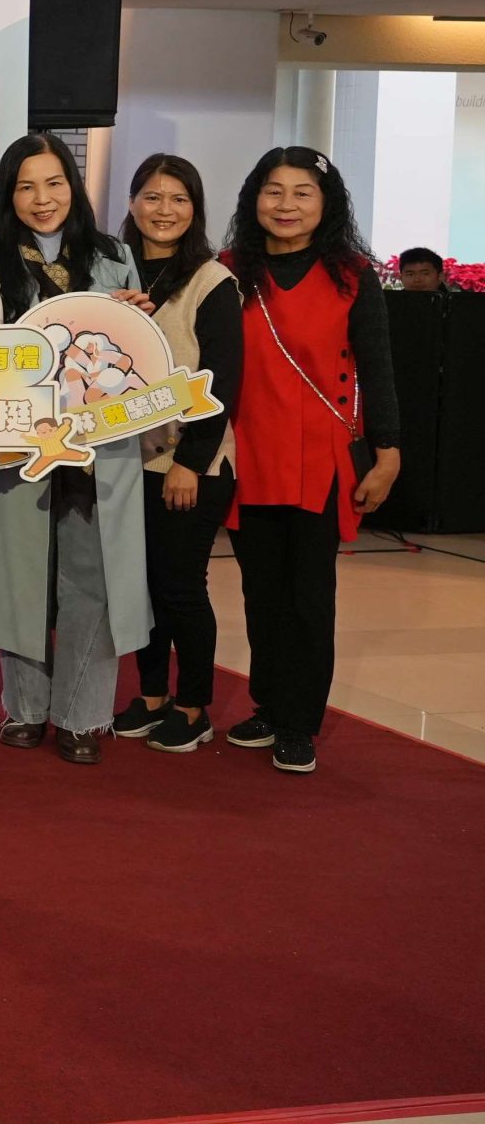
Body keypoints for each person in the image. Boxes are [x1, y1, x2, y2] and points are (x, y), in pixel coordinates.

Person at [0, 133, 151, 766]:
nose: (42, 198)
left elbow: (140, 356)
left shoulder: (114, 257)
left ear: (73, 188)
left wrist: (139, 314)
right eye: (26, 187)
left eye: (54, 183)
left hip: (100, 446)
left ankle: (82, 713)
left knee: (92, 578)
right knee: (19, 576)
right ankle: (24, 707)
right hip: (21, 447)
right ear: (8, 195)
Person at [223, 147, 400, 775]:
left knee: (309, 597)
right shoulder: (228, 271)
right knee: (260, 592)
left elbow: (377, 366)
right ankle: (269, 705)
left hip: (320, 460)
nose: (287, 205)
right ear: (254, 199)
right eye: (274, 191)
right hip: (248, 454)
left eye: (303, 193)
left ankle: (299, 723)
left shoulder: (352, 275)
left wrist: (388, 452)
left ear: (327, 204)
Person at [111, 154, 242, 754]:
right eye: (152, 197)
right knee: (141, 586)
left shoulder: (212, 282)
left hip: (191, 463)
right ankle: (151, 695)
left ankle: (193, 706)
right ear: (132, 202)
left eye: (178, 199)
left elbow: (222, 381)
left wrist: (190, 462)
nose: (164, 210)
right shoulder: (114, 274)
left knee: (181, 585)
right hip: (126, 460)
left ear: (195, 209)